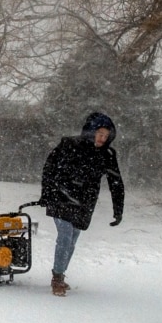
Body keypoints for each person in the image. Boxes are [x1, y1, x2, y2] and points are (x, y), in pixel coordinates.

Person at [39, 111, 125, 296]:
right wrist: (46, 194)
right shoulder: (69, 145)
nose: (102, 138)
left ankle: (60, 273)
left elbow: (116, 182)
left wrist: (118, 210)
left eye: (106, 135)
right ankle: (58, 278)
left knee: (72, 239)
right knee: (65, 235)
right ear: (91, 131)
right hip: (61, 197)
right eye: (99, 133)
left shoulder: (107, 154)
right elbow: (49, 168)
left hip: (84, 203)